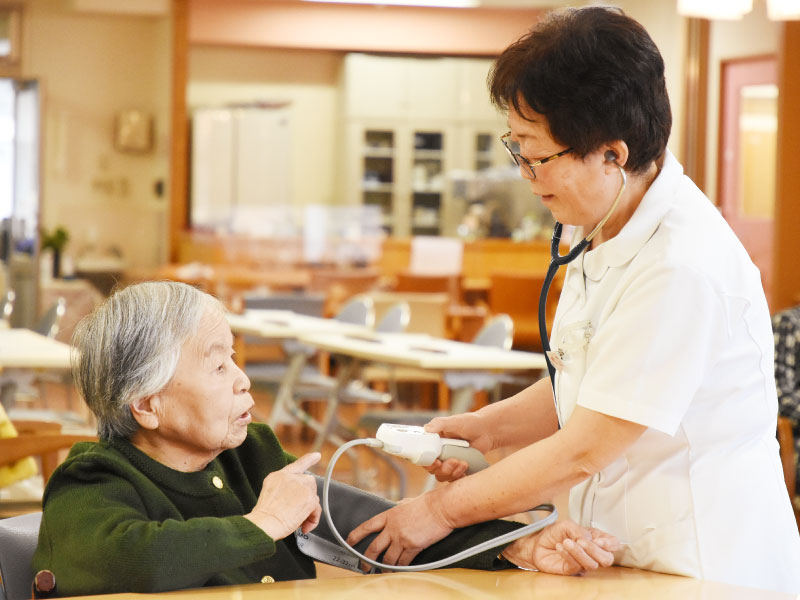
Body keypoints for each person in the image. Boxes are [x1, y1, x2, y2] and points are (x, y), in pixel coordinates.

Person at [348, 6, 800, 594]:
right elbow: (593, 370)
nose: (528, 178)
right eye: (518, 152)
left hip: (705, 563)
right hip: (619, 550)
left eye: (538, 156)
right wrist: (490, 429)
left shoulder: (680, 266)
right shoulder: (601, 225)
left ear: (612, 153)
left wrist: (440, 512)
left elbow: (586, 447)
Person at [33, 281, 618, 597]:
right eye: (216, 367)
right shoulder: (92, 478)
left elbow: (376, 530)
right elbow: (128, 558)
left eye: (234, 359)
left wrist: (510, 547)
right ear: (146, 405)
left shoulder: (253, 453)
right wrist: (261, 526)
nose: (241, 380)